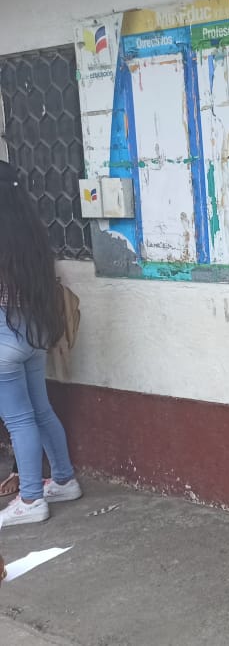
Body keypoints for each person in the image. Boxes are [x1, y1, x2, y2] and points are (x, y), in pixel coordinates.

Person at [0, 160, 84, 527]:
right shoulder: (32, 232)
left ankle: (31, 498)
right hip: (33, 333)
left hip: (3, 335)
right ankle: (64, 480)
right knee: (41, 410)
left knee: (19, 420)